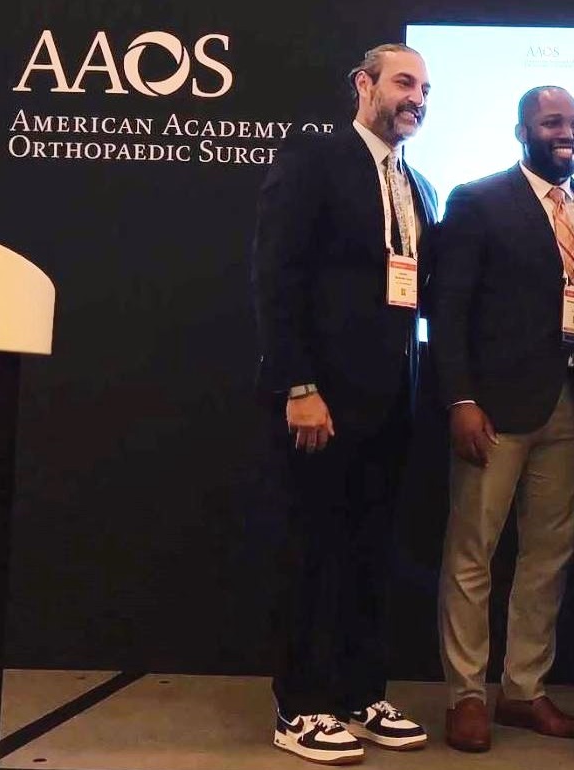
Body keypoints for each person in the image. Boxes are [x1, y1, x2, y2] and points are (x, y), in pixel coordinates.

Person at [251, 43, 438, 765]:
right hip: (320, 401)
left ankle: (361, 695)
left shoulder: (417, 184)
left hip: (390, 404)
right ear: (364, 85)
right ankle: (299, 706)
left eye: (425, 88)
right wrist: (298, 385)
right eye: (404, 82)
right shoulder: (315, 160)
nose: (416, 97)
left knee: (370, 553)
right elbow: (276, 276)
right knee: (312, 552)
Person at [432, 85, 574, 753]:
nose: (568, 133)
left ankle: (523, 691)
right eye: (553, 122)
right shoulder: (478, 200)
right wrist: (460, 399)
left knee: (547, 557)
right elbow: (447, 310)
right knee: (472, 553)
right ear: (522, 131)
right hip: (494, 410)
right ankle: (467, 696)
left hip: (573, 404)